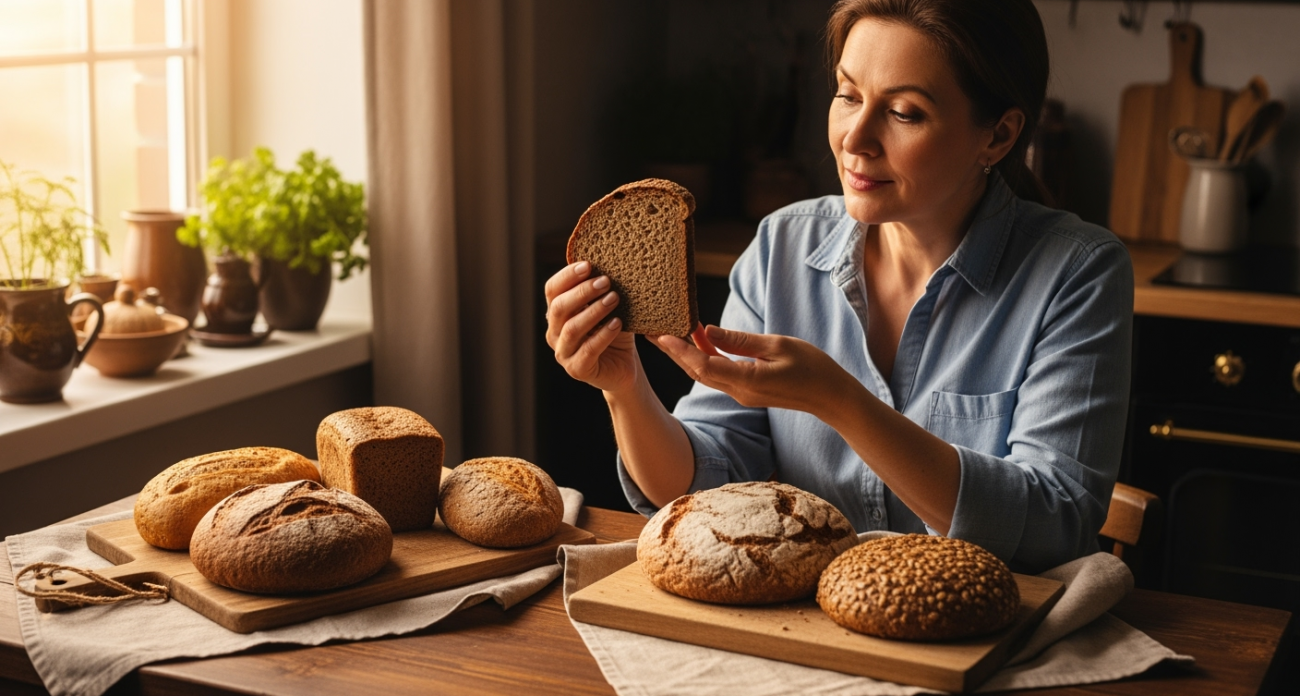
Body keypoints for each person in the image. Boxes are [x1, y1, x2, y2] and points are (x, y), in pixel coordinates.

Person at [543, 0, 1132, 574]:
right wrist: (624, 389)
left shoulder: (1077, 272)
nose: (856, 138)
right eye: (848, 95)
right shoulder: (782, 246)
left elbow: (1055, 526)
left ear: (998, 137)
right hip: (801, 636)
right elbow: (707, 481)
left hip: (987, 647)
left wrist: (839, 401)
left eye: (903, 112)